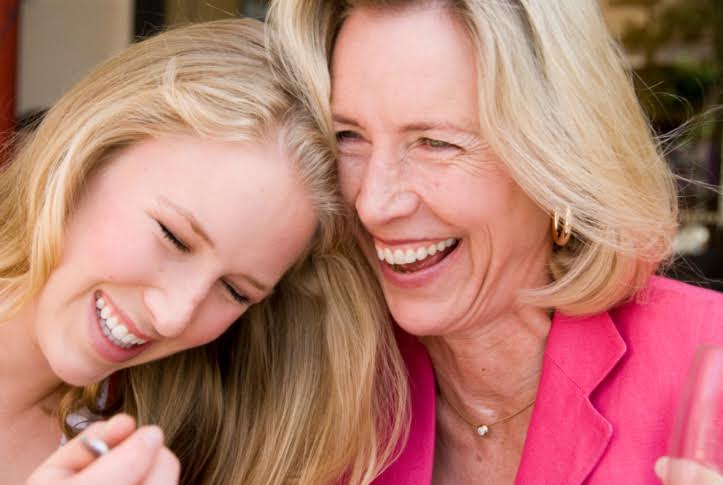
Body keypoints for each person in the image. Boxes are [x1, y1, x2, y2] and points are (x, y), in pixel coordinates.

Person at [267, 1, 723, 483]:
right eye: (348, 136)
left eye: (435, 143)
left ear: (556, 161)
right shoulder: (306, 379)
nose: (373, 204)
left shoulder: (710, 356)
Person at [0, 18, 408, 484]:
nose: (174, 317)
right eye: (174, 237)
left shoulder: (128, 460)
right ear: (92, 152)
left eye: (234, 291)